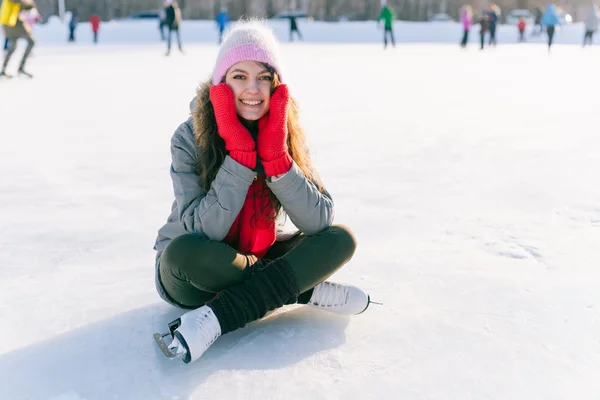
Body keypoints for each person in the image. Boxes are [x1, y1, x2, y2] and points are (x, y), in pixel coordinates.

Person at [153, 20, 371, 364]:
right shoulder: (189, 136)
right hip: (195, 271)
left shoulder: (284, 131)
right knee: (184, 252)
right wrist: (240, 157)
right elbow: (200, 231)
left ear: (276, 85)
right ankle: (302, 288)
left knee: (340, 238)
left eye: (264, 77)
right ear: (222, 84)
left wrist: (277, 159)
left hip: (259, 254)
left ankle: (217, 319)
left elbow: (318, 221)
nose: (252, 88)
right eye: (239, 76)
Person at [0, 0, 36, 78]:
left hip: (10, 22)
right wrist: (30, 3)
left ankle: (4, 70)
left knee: (13, 47)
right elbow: (21, 3)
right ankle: (20, 68)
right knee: (31, 42)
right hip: (12, 23)